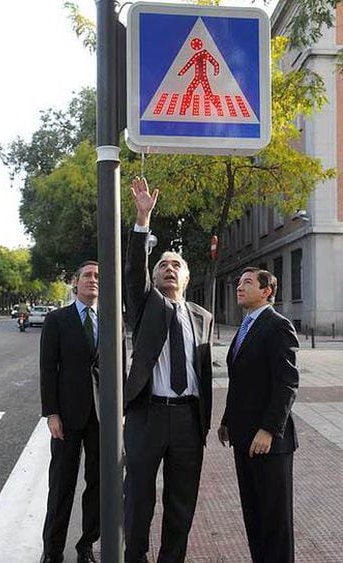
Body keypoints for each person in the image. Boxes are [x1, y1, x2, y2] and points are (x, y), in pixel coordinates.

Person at [124, 177, 213, 563]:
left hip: (189, 421)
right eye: (163, 265)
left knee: (181, 502)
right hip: (149, 415)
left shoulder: (202, 317)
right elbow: (133, 271)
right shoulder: (146, 304)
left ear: (187, 277)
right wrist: (142, 219)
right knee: (139, 495)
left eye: (176, 265)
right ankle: (136, 556)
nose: (169, 269)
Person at [218, 267, 299, 563]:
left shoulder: (277, 325)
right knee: (254, 517)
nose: (240, 287)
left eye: (248, 283)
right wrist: (227, 420)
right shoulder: (246, 326)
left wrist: (268, 429)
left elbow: (287, 383)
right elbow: (241, 380)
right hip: (243, 438)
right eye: (239, 282)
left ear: (267, 291)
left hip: (270, 443)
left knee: (275, 522)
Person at [40, 261, 100, 563]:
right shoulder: (57, 320)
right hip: (67, 416)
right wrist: (51, 413)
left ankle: (86, 545)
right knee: (61, 485)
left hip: (103, 418)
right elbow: (48, 369)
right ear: (75, 283)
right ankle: (52, 551)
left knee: (98, 485)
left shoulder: (112, 319)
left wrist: (122, 411)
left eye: (98, 276)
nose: (93, 280)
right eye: (87, 275)